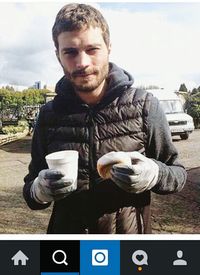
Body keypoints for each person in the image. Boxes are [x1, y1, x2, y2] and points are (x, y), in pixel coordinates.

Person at [23, 3, 187, 234]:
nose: (82, 63)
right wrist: (39, 190)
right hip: (68, 254)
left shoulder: (145, 106)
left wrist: (153, 173)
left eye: (92, 49)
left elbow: (177, 174)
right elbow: (30, 191)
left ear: (109, 47)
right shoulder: (49, 115)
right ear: (58, 55)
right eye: (70, 52)